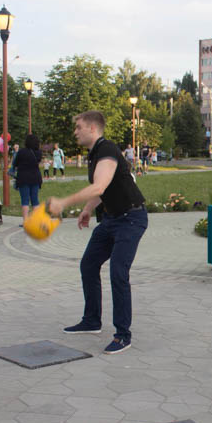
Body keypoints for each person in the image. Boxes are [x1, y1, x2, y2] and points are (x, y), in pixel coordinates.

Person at [49, 110, 148, 355]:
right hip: (112, 218)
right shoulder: (96, 154)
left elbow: (100, 185)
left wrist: (64, 202)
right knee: (89, 264)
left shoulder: (107, 150)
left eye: (79, 127)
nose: (75, 132)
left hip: (131, 219)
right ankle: (92, 320)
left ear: (92, 129)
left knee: (118, 272)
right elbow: (104, 190)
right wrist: (86, 209)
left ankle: (123, 335)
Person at [12, 134, 43, 223]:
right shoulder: (38, 152)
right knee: (35, 200)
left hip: (23, 177)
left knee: (25, 200)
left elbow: (16, 163)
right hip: (35, 177)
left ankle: (25, 221)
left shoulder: (22, 152)